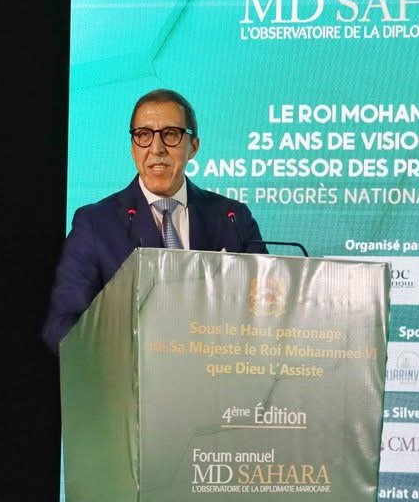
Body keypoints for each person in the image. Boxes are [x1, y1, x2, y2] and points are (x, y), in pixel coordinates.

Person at [43, 89, 266, 351]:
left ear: (193, 146)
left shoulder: (232, 218)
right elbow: (63, 326)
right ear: (133, 148)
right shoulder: (95, 223)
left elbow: (267, 311)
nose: (156, 148)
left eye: (170, 134)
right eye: (144, 135)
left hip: (218, 370)